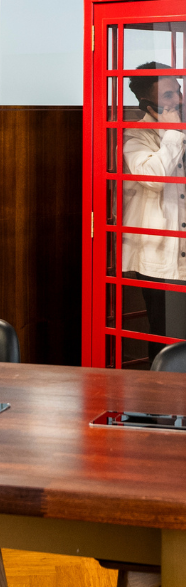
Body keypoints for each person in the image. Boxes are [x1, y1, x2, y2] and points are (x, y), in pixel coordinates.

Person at [123, 62, 186, 362]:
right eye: (170, 96)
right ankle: (159, 405)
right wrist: (173, 132)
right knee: (165, 336)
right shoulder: (134, 135)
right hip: (158, 255)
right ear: (148, 103)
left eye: (179, 91)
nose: (180, 100)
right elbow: (154, 178)